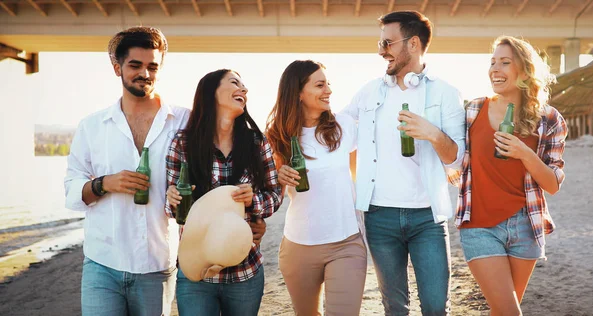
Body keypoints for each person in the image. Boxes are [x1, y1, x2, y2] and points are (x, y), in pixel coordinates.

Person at [341, 10, 466, 315]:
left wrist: (433, 134)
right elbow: (335, 132)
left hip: (428, 218)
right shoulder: (369, 91)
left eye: (387, 42)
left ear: (412, 44)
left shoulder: (446, 93)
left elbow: (457, 158)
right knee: (394, 306)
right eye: (379, 43)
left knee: (436, 307)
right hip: (379, 217)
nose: (381, 50)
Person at [64, 26, 184, 316]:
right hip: (102, 264)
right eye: (135, 65)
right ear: (117, 67)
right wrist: (104, 184)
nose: (145, 73)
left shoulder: (184, 121)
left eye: (152, 66)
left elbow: (216, 171)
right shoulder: (92, 126)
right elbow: (71, 189)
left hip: (157, 265)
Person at [455, 35, 567, 315]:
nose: (495, 69)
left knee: (502, 309)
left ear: (525, 71)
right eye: (492, 62)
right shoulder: (472, 110)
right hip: (479, 224)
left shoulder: (549, 119)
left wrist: (524, 153)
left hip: (524, 225)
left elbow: (552, 184)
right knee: (509, 311)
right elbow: (451, 153)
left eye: (505, 62)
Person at [165, 69, 282, 316]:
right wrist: (173, 199)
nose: (244, 89)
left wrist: (253, 202)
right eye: (234, 82)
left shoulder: (256, 142)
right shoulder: (183, 143)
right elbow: (174, 207)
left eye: (244, 85)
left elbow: (274, 195)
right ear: (211, 92)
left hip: (245, 271)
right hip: (196, 272)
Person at [265, 60, 367, 315]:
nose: (328, 91)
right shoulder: (278, 136)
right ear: (298, 92)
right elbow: (267, 191)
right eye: (320, 85)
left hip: (346, 243)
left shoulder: (343, 126)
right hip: (298, 246)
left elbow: (362, 173)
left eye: (328, 84)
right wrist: (278, 176)